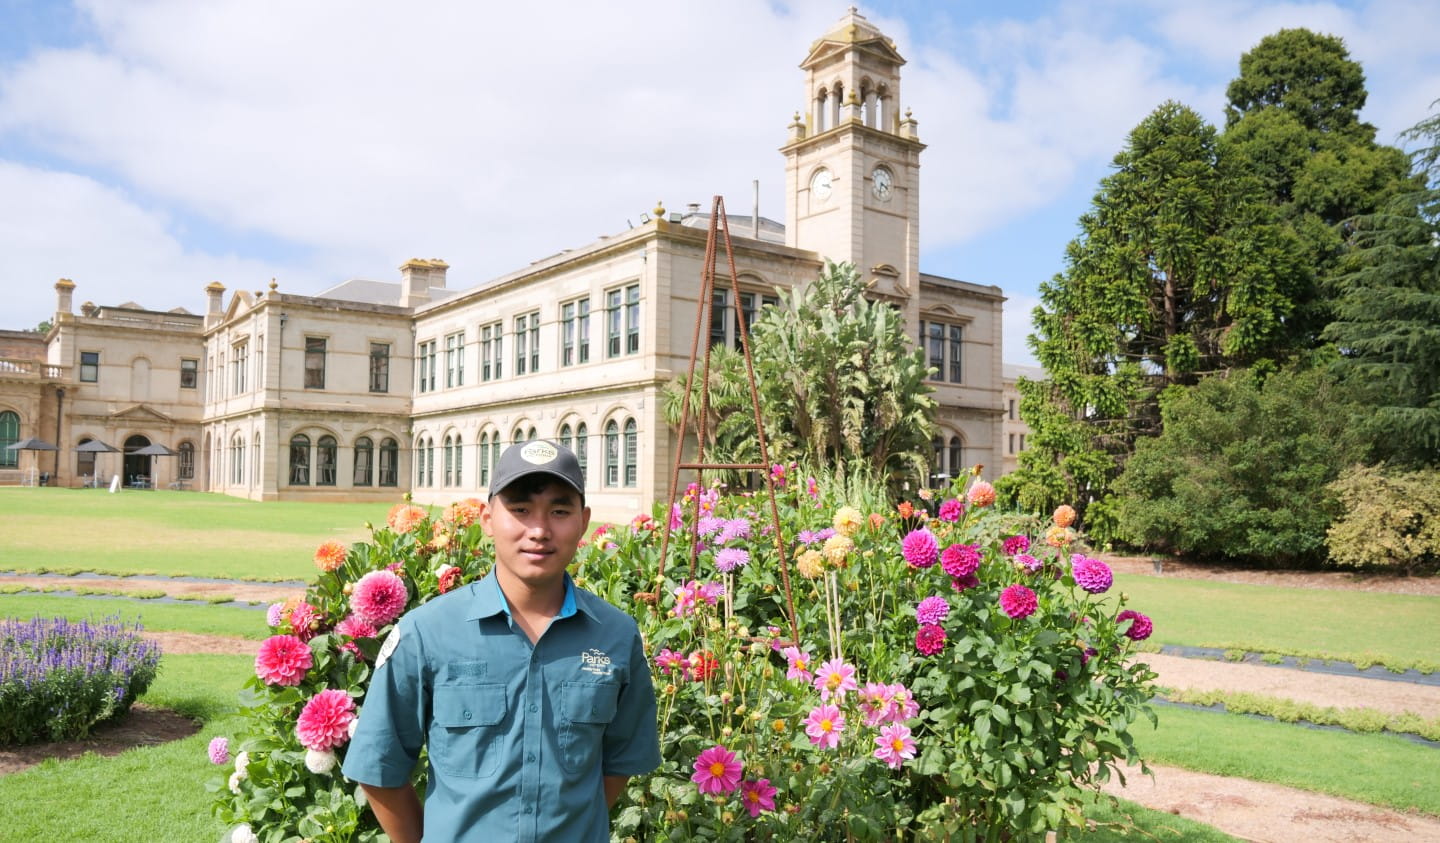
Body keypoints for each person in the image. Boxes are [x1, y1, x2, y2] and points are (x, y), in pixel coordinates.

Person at [342, 440, 661, 842]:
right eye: (520, 510)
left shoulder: (614, 635)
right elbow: (379, 767)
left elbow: (620, 762)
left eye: (559, 511)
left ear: (584, 521)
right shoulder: (427, 632)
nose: (540, 530)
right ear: (488, 518)